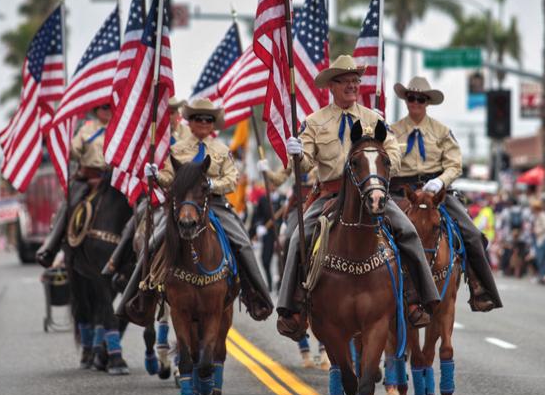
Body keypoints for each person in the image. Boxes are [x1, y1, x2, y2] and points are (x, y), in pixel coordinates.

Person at [275, 55, 440, 340]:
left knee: (408, 231)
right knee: (295, 239)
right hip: (330, 194)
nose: (353, 86)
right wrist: (296, 153)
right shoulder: (314, 122)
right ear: (332, 86)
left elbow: (395, 153)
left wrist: (385, 164)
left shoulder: (373, 119)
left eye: (356, 81)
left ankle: (418, 298)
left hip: (371, 192)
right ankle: (292, 307)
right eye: (346, 82)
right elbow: (303, 166)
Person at [145, 98, 273, 319]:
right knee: (153, 240)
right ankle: (142, 295)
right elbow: (168, 177)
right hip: (184, 204)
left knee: (242, 242)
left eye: (208, 119)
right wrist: (156, 175)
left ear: (214, 123)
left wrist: (213, 185)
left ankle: (255, 294)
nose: (203, 122)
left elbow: (232, 179)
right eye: (198, 118)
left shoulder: (222, 150)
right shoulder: (176, 149)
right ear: (190, 121)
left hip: (214, 203)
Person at [389, 76, 502, 312]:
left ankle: (478, 286)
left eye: (420, 98)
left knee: (472, 234)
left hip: (437, 193)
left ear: (427, 102)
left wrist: (439, 181)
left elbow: (455, 165)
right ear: (406, 99)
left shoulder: (442, 132)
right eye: (411, 97)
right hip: (403, 193)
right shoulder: (392, 132)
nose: (415, 102)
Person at [36, 104, 113, 267]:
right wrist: (62, 142)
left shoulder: (121, 127)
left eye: (110, 107)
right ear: (96, 110)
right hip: (90, 179)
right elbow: (73, 152)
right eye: (104, 107)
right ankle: (51, 246)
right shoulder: (86, 130)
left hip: (115, 180)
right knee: (70, 204)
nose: (107, 110)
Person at [530, 199, 545, 283]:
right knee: (540, 258)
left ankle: (543, 276)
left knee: (542, 258)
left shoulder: (543, 215)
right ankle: (542, 276)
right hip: (539, 239)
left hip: (542, 239)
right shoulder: (537, 215)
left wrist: (536, 231)